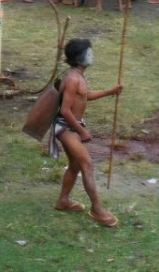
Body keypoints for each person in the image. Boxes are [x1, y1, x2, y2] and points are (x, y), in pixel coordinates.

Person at [48, 38, 123, 228]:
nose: (92, 55)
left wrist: (110, 91)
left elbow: (84, 95)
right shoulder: (73, 79)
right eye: (89, 53)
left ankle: (63, 201)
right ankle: (97, 209)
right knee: (87, 164)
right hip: (66, 128)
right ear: (78, 58)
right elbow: (65, 110)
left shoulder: (78, 76)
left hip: (72, 126)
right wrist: (81, 131)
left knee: (75, 165)